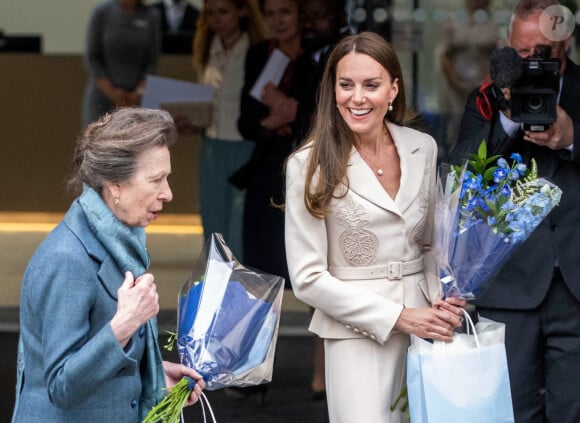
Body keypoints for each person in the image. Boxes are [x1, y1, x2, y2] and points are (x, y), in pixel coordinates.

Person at [285, 31, 465, 423]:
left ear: (393, 90)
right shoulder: (307, 164)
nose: (357, 97)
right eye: (345, 84)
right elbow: (308, 278)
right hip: (356, 336)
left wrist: (445, 297)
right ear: (332, 90)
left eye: (371, 85)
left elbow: (433, 246)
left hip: (428, 331)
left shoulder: (423, 147)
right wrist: (398, 317)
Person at [11, 108, 205, 423]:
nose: (167, 193)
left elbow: (98, 360)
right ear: (114, 185)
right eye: (156, 180)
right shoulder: (67, 259)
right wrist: (124, 324)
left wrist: (151, 373)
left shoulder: (118, 241)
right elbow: (61, 385)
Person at [449, 1, 580, 421]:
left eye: (545, 52)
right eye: (523, 53)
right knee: (514, 410)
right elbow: (461, 173)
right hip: (512, 281)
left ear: (568, 43)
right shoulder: (486, 98)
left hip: (575, 282)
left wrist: (572, 138)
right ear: (508, 46)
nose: (534, 61)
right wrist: (507, 119)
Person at [235, 0, 316, 285]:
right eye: (270, 14)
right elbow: (245, 122)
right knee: (261, 264)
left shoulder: (317, 55)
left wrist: (293, 111)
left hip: (309, 166)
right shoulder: (259, 54)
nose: (277, 20)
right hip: (268, 167)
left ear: (300, 15)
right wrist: (272, 122)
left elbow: (317, 114)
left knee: (309, 262)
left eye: (285, 12)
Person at [183, 0, 266, 258]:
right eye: (211, 14)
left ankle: (242, 291)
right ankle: (216, 286)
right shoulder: (207, 50)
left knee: (240, 225)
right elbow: (206, 103)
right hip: (212, 146)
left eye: (223, 12)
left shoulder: (256, 51)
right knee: (213, 221)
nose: (217, 20)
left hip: (245, 145)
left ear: (241, 11)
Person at [82, 0, 161, 127]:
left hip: (136, 100)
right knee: (99, 143)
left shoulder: (151, 15)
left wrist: (138, 93)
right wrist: (113, 93)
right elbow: (93, 58)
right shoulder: (102, 12)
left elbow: (152, 61)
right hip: (103, 96)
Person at [438, 0, 500, 160]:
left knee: (486, 131)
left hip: (486, 88)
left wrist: (490, 82)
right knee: (456, 131)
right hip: (457, 90)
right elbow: (444, 56)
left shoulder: (495, 22)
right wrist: (456, 81)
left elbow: (500, 56)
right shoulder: (454, 20)